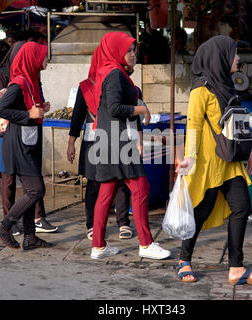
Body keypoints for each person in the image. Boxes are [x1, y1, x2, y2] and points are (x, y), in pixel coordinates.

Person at [175, 35, 252, 284]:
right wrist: (190, 158)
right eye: (234, 53)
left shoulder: (227, 85)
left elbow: (235, 123)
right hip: (207, 163)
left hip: (229, 162)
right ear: (220, 57)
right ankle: (184, 259)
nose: (237, 59)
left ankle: (236, 267)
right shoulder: (200, 90)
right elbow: (192, 125)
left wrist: (249, 152)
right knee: (201, 210)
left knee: (241, 206)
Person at [89, 32, 171, 260]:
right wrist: (142, 110)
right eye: (128, 50)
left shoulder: (111, 71)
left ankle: (98, 246)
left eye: (134, 50)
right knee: (140, 188)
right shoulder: (115, 74)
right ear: (116, 51)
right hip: (117, 141)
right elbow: (115, 108)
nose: (133, 54)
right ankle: (145, 244)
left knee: (106, 194)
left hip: (110, 140)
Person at [0, 41, 57, 235]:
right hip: (18, 144)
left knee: (31, 191)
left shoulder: (31, 80)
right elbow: (2, 110)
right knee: (36, 190)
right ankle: (5, 226)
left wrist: (39, 109)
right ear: (32, 58)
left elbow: (29, 108)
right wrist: (29, 114)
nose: (46, 60)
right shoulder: (19, 83)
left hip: (28, 141)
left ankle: (30, 237)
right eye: (43, 56)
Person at [67, 47, 134, 241]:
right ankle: (92, 224)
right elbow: (77, 116)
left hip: (116, 137)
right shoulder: (86, 86)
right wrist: (71, 143)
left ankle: (123, 222)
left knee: (120, 180)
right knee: (94, 182)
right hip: (92, 141)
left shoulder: (119, 79)